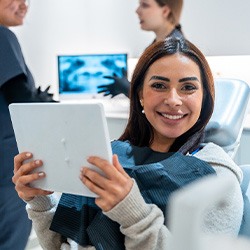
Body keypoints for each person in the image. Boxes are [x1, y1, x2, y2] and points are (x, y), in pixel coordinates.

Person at [12, 37, 243, 250]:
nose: (173, 100)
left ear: (205, 98)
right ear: (140, 94)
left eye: (188, 87)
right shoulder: (108, 156)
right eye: (159, 86)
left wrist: (133, 213)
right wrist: (39, 200)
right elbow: (62, 245)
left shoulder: (216, 178)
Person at [0, 0, 56, 249]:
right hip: (5, 166)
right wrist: (41, 101)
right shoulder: (2, 36)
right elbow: (20, 98)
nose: (24, 5)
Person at [97, 0, 184, 98]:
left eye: (145, 5)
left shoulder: (175, 50)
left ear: (165, 11)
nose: (137, 11)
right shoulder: (157, 45)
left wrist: (128, 89)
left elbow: (163, 98)